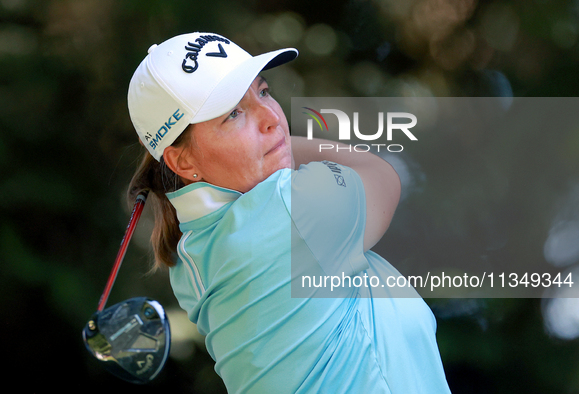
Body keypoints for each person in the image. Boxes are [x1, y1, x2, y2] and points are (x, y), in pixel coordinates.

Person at [127, 31, 452, 393]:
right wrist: (281, 142)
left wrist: (268, 143)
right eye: (233, 113)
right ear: (182, 160)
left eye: (263, 92)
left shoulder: (191, 256)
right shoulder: (289, 209)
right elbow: (383, 175)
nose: (271, 116)